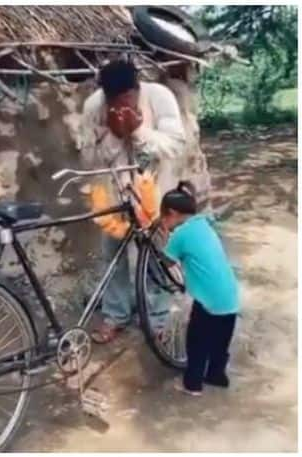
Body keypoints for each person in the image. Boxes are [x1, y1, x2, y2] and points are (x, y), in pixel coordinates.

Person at [79, 59, 187, 343]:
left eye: (126, 97)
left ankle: (157, 320)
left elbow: (175, 145)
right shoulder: (94, 106)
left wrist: (139, 131)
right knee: (113, 257)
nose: (119, 103)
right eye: (112, 99)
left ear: (136, 88)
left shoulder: (160, 97)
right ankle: (116, 315)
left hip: (155, 192)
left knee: (156, 258)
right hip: (115, 195)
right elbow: (89, 157)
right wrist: (114, 136)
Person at [159, 182, 239, 395]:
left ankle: (192, 385)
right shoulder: (204, 224)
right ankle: (217, 375)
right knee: (220, 343)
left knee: (197, 342)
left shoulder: (181, 234)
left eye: (164, 218)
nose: (165, 222)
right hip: (230, 297)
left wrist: (166, 236)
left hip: (208, 301)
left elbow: (167, 261)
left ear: (173, 213)